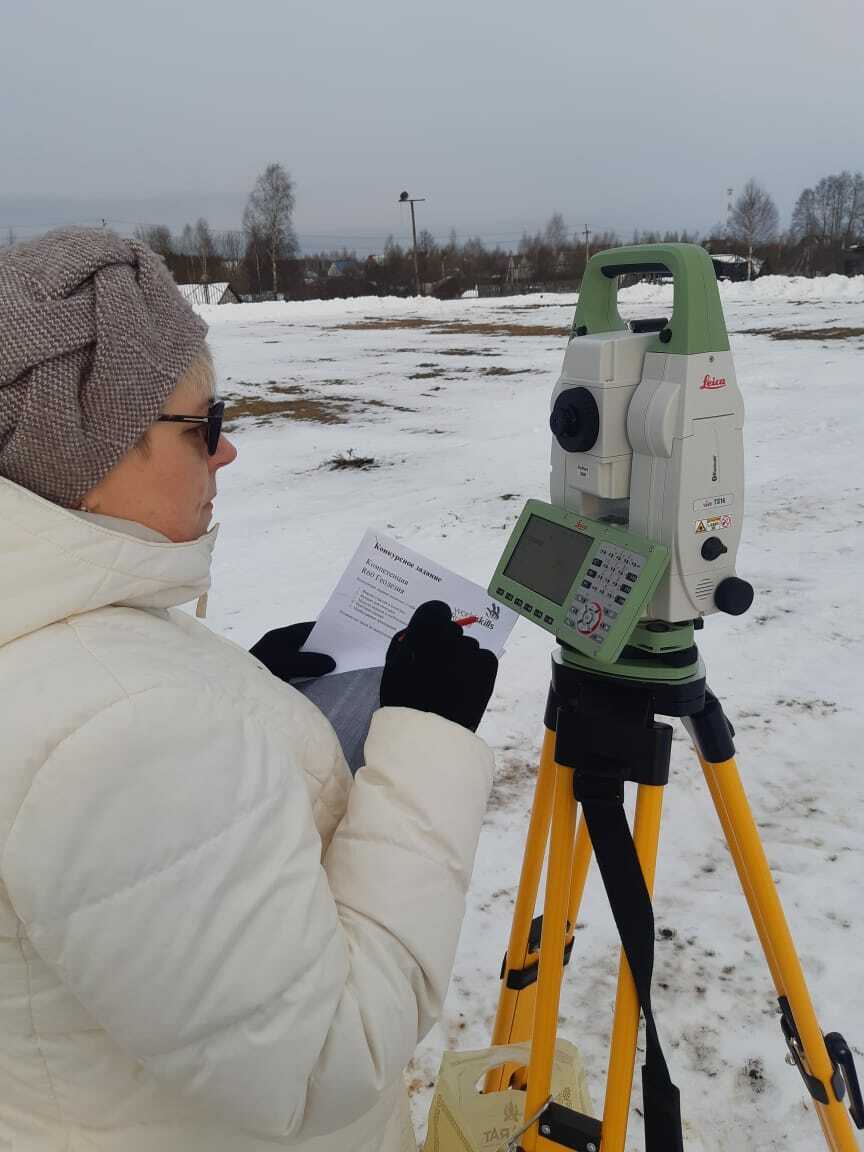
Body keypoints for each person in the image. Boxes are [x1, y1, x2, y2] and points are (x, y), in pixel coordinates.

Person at [0, 229, 498, 1152]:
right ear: (85, 455)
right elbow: (322, 1061)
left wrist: (245, 696)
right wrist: (426, 738)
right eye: (204, 424)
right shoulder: (120, 731)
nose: (226, 451)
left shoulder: (51, 634)